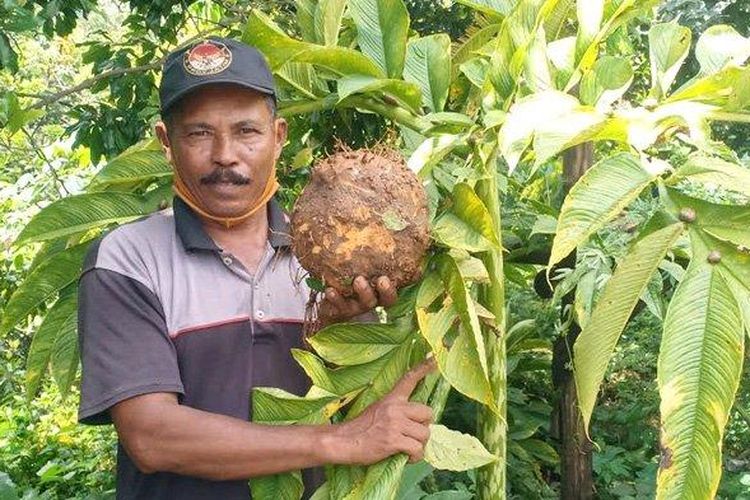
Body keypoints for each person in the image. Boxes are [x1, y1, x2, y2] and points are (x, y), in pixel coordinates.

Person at [77, 37, 435, 499]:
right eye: (199, 133)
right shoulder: (127, 259)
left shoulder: (331, 253)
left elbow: (344, 394)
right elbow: (152, 436)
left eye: (247, 130)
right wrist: (342, 441)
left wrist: (343, 329)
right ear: (167, 142)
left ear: (279, 136)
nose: (225, 154)